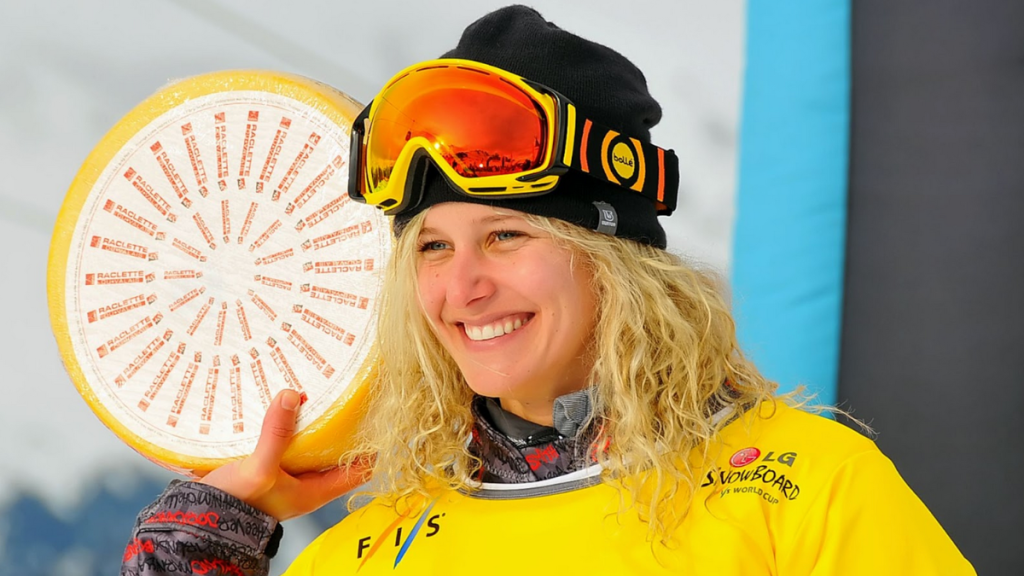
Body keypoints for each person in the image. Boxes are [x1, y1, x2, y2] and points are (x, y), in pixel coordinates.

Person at [120, 6, 975, 575]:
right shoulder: (374, 548)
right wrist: (206, 539)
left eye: (507, 236)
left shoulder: (808, 489)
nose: (463, 286)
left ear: (616, 261)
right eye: (433, 248)